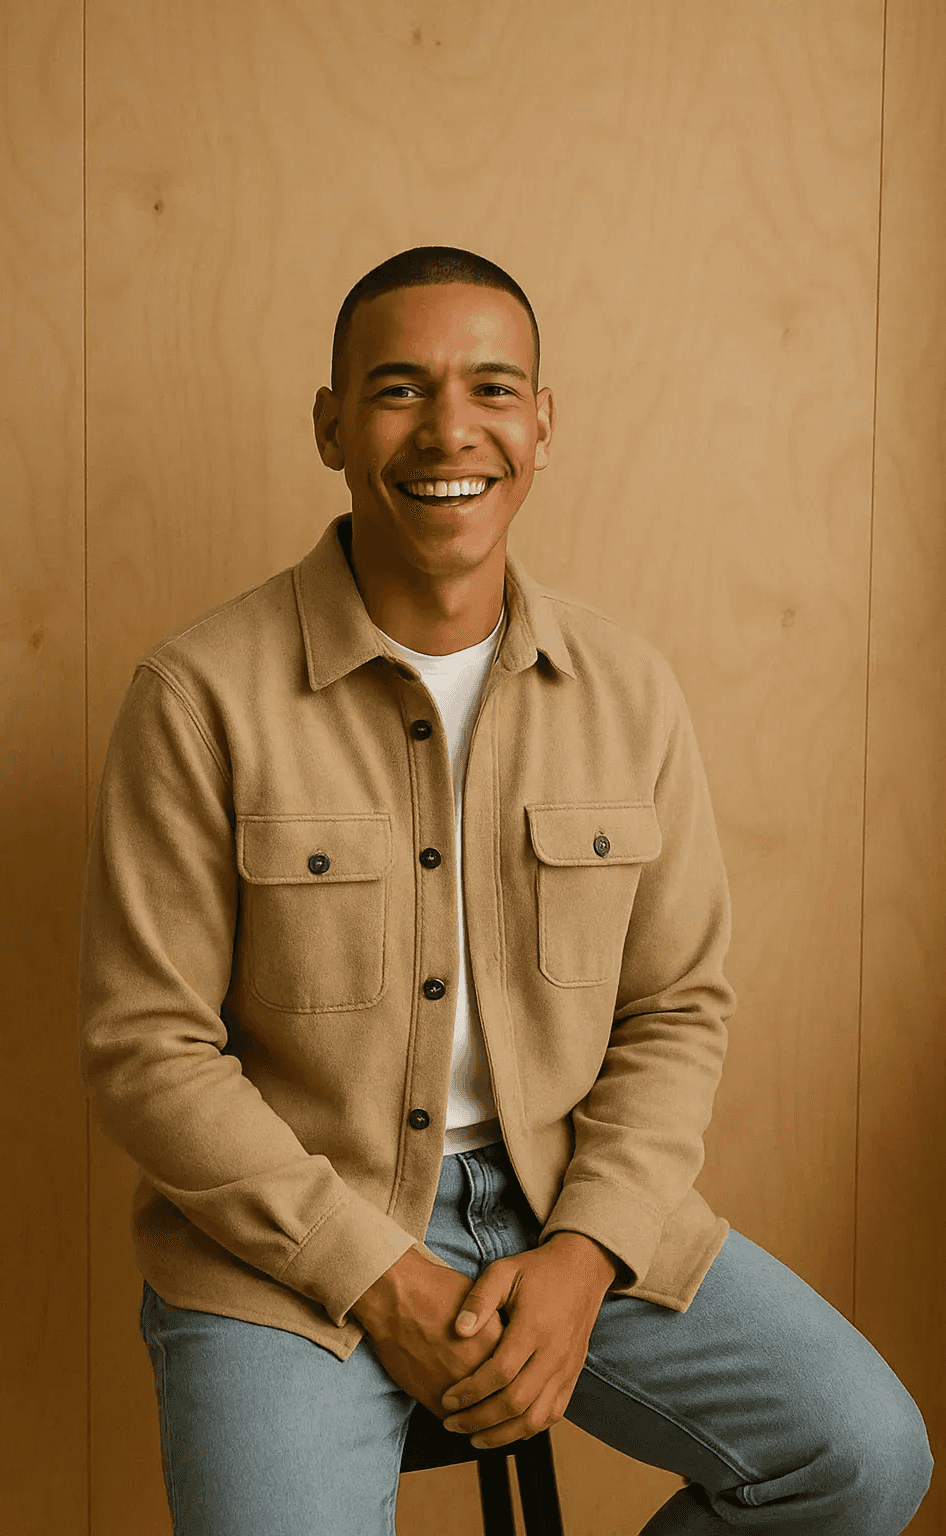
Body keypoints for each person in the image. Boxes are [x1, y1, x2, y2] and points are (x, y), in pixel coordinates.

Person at [77, 246, 933, 1535]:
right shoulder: (198, 697)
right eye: (398, 389)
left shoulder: (628, 691)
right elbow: (149, 1051)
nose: (449, 430)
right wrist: (378, 1275)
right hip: (287, 1244)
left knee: (862, 1457)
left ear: (542, 425)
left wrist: (587, 1254)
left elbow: (677, 1007)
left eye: (491, 388)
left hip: (568, 1198)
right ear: (330, 427)